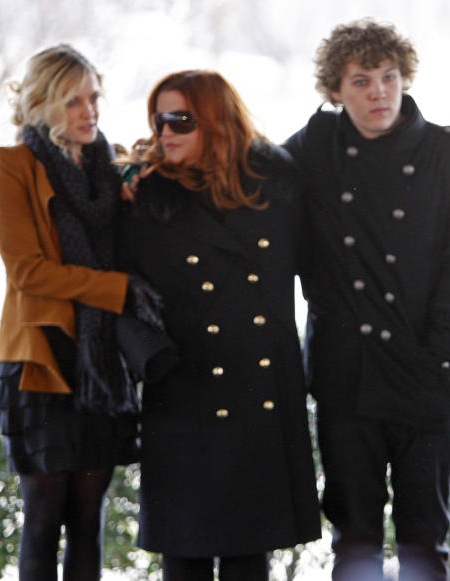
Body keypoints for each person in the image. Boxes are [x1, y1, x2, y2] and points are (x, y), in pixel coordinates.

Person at [284, 18, 450, 581]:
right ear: (334, 90)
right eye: (360, 81)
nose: (378, 92)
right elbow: (248, 191)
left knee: (426, 541)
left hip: (427, 371)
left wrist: (441, 352)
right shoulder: (310, 153)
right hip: (344, 375)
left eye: (388, 77)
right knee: (354, 541)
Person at [119, 70, 320, 581]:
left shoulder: (278, 184)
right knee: (183, 558)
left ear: (215, 120)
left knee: (247, 558)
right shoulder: (143, 195)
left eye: (180, 119)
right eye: (159, 119)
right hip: (181, 388)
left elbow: (324, 272)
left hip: (259, 391)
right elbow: (113, 288)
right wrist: (148, 356)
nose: (165, 131)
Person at [0, 44, 147, 581]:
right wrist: (115, 289)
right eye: (73, 101)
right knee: (43, 517)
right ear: (42, 103)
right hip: (44, 361)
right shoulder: (10, 165)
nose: (89, 112)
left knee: (88, 517)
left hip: (102, 363)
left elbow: (139, 250)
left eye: (93, 98)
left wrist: (139, 198)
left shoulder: (113, 169)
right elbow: (28, 272)